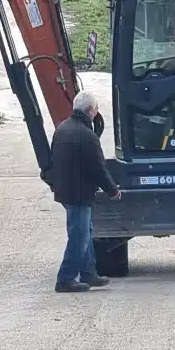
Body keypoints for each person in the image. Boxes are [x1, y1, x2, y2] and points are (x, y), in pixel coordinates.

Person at [44, 93, 119, 293]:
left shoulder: (62, 129)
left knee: (86, 231)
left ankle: (88, 273)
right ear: (90, 111)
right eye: (96, 109)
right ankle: (65, 279)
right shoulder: (87, 135)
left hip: (66, 191)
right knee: (79, 237)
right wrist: (112, 190)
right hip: (79, 193)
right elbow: (98, 168)